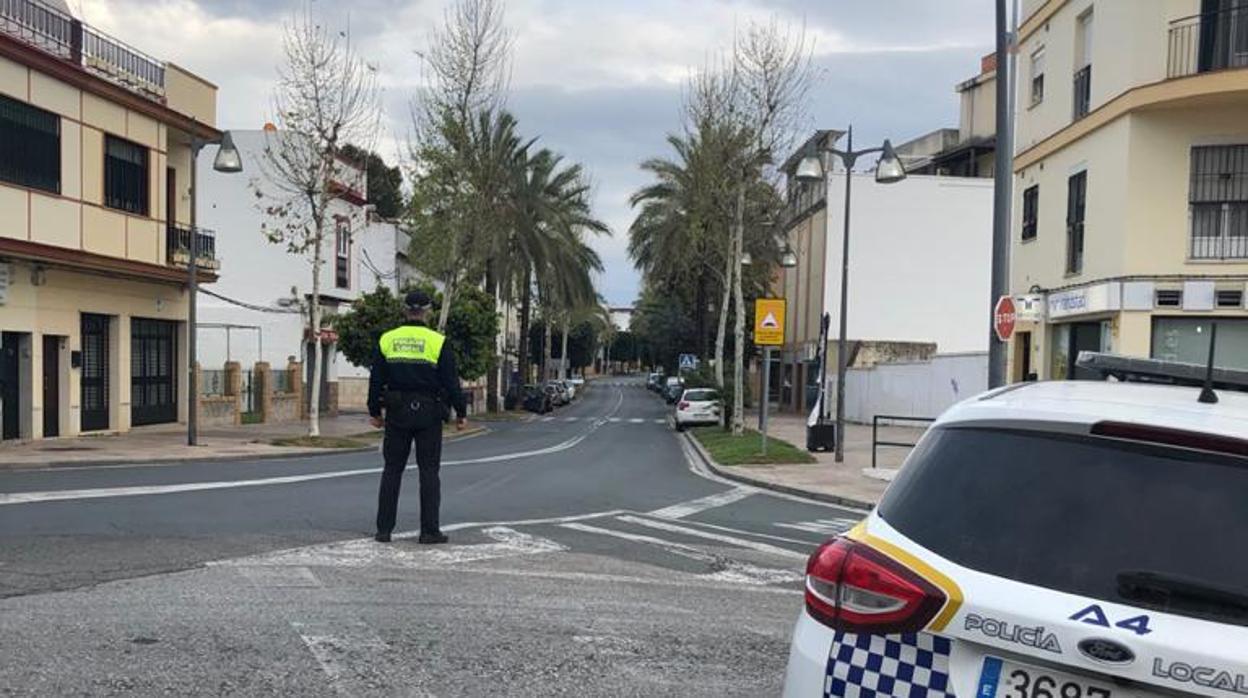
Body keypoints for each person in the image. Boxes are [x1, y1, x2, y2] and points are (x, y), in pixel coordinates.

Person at [368, 290, 466, 544]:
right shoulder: (438, 341)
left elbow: (376, 379)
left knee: (392, 470)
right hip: (429, 413)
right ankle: (429, 531)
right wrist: (461, 413)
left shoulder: (387, 339)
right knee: (429, 472)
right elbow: (451, 381)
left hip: (397, 411)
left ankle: (384, 530)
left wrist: (374, 411)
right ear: (428, 311)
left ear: (405, 310)